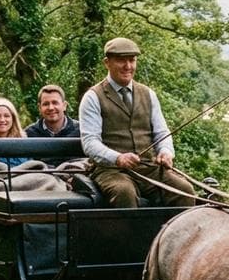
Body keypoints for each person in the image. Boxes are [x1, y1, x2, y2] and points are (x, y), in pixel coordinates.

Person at [78, 37, 194, 208]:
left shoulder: (148, 94)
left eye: (132, 60)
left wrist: (166, 151)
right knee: (124, 192)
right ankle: (128, 235)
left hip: (149, 168)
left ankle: (172, 234)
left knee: (184, 190)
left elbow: (162, 133)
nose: (128, 66)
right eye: (121, 60)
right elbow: (90, 143)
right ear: (106, 63)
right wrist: (117, 158)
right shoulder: (93, 97)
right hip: (110, 171)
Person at [25, 84, 81, 166]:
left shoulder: (81, 130)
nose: (51, 108)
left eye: (55, 103)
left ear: (64, 105)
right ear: (39, 108)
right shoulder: (28, 134)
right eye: (46, 104)